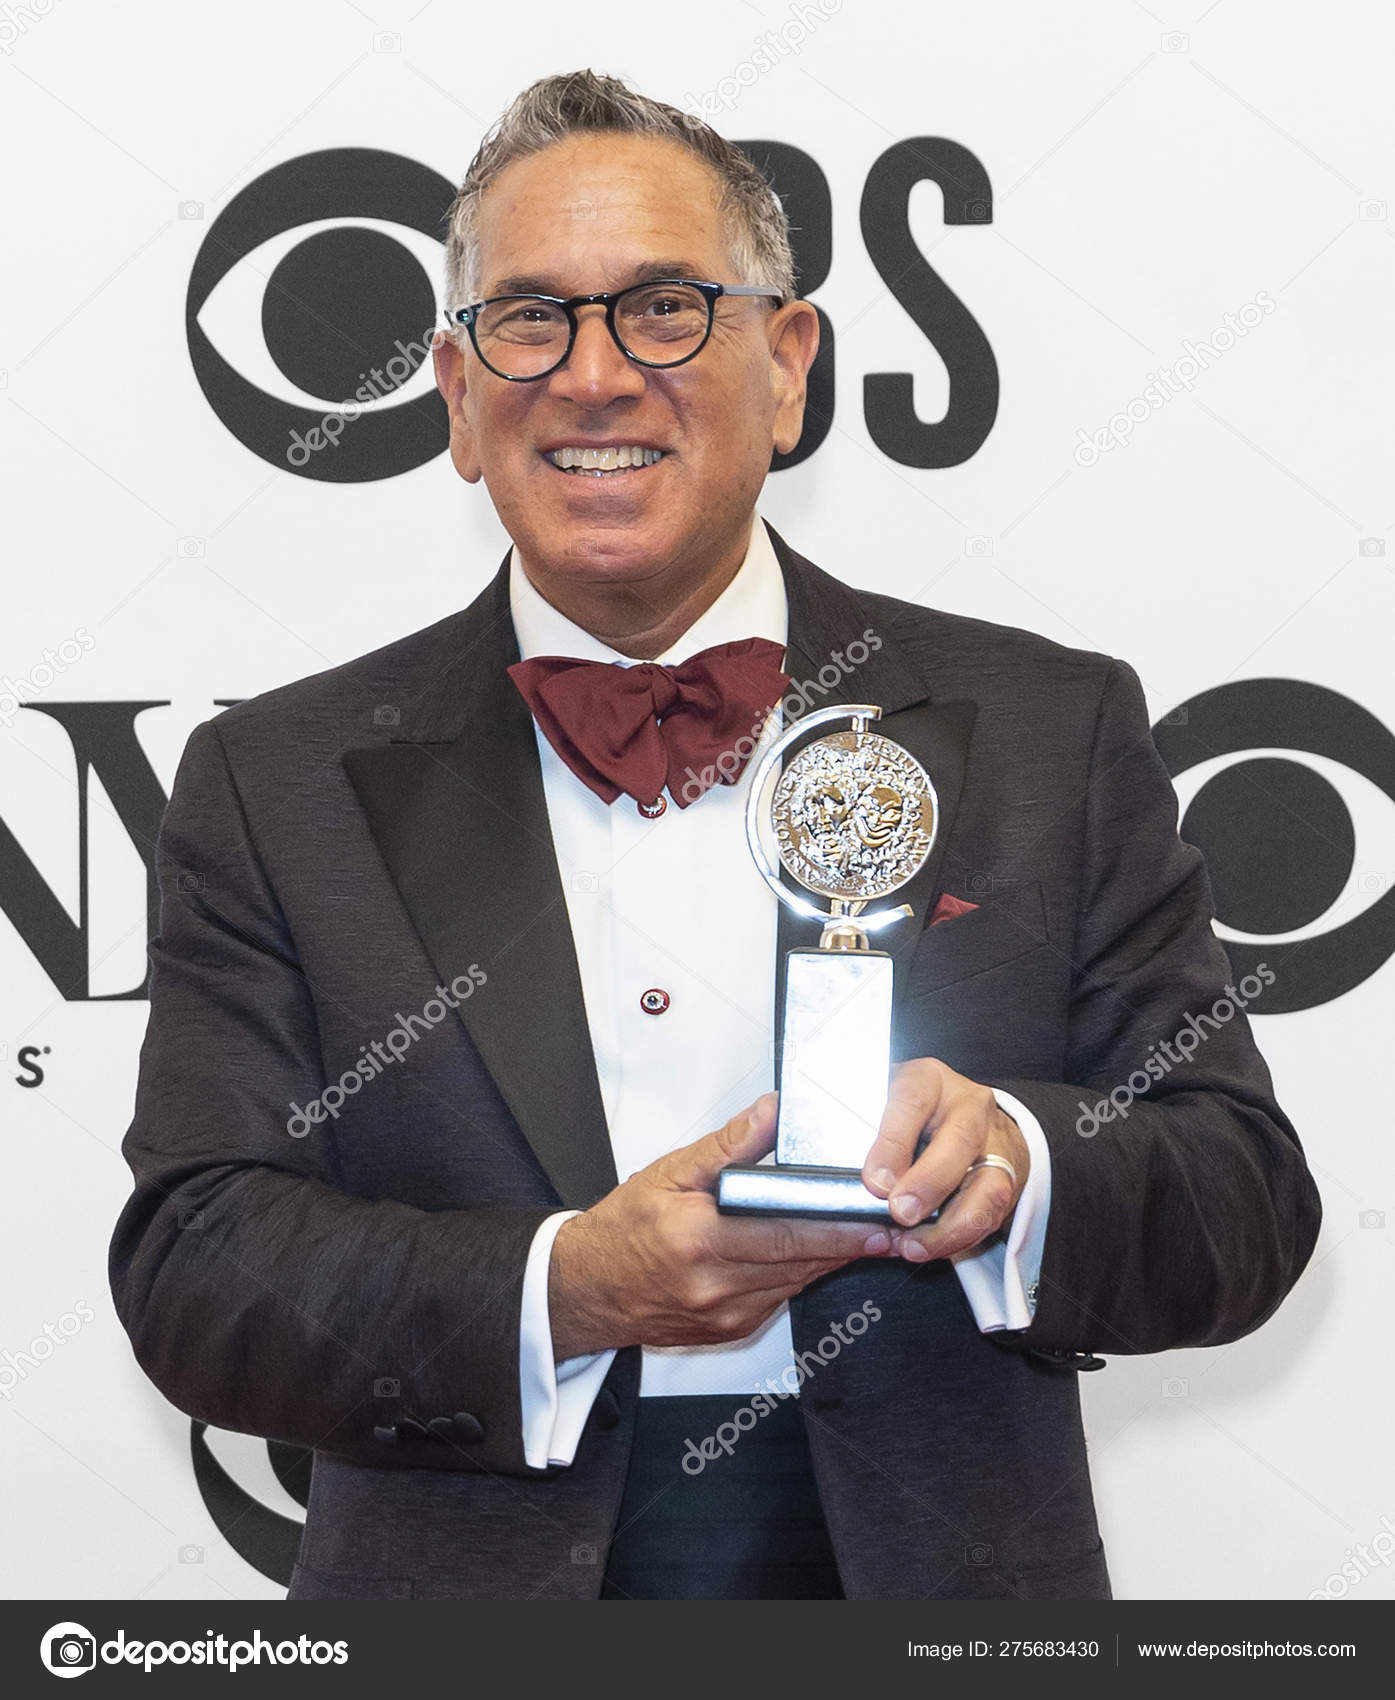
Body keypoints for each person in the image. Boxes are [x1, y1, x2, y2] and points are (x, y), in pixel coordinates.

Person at [109, 69, 1321, 1601]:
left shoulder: (1046, 730)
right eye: (530, 320)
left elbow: (1243, 1199)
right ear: (457, 397)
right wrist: (567, 1290)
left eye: (667, 309)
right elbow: (197, 1268)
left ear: (790, 362)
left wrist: (1020, 1160)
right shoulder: (271, 781)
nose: (596, 378)